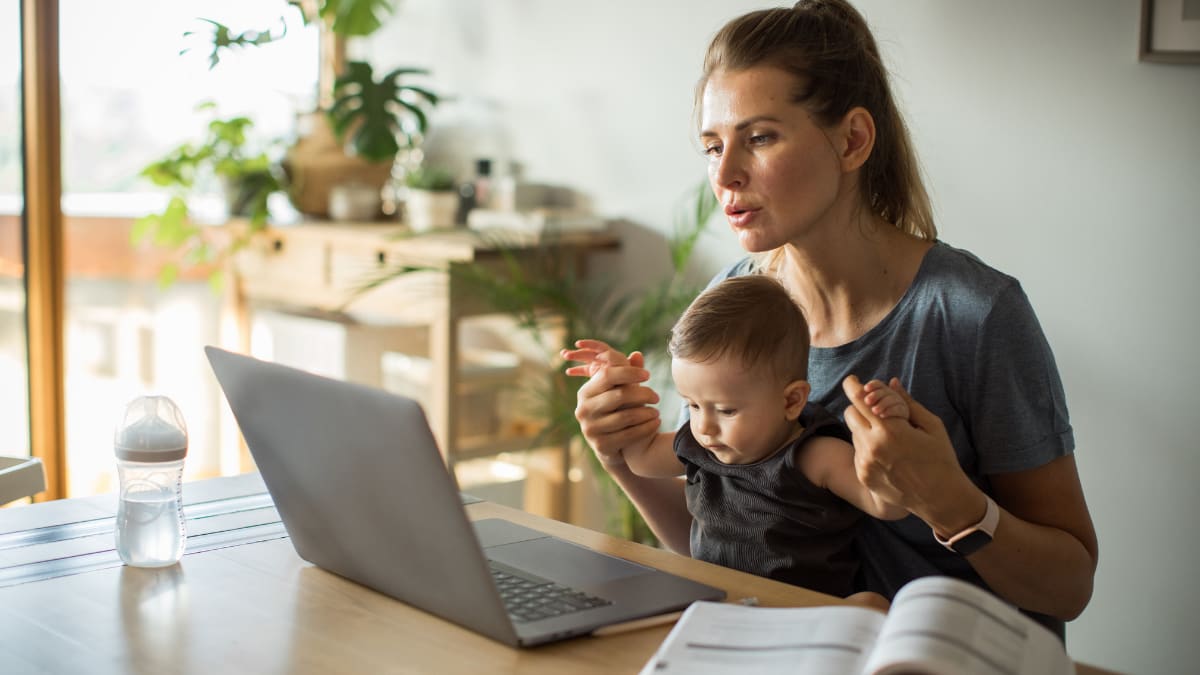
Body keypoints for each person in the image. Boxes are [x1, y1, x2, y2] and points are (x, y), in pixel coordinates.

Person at [563, 0, 1097, 638]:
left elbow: (1069, 588)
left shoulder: (973, 316)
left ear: (852, 141)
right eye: (712, 146)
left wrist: (953, 504)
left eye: (759, 138)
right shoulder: (731, 301)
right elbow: (731, 551)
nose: (725, 174)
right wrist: (620, 455)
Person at [581, 274, 908, 598]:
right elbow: (640, 459)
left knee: (870, 603)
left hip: (803, 614)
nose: (704, 426)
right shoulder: (702, 445)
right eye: (692, 405)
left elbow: (888, 506)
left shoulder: (815, 455)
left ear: (791, 401)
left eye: (726, 411)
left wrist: (891, 429)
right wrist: (618, 384)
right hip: (720, 604)